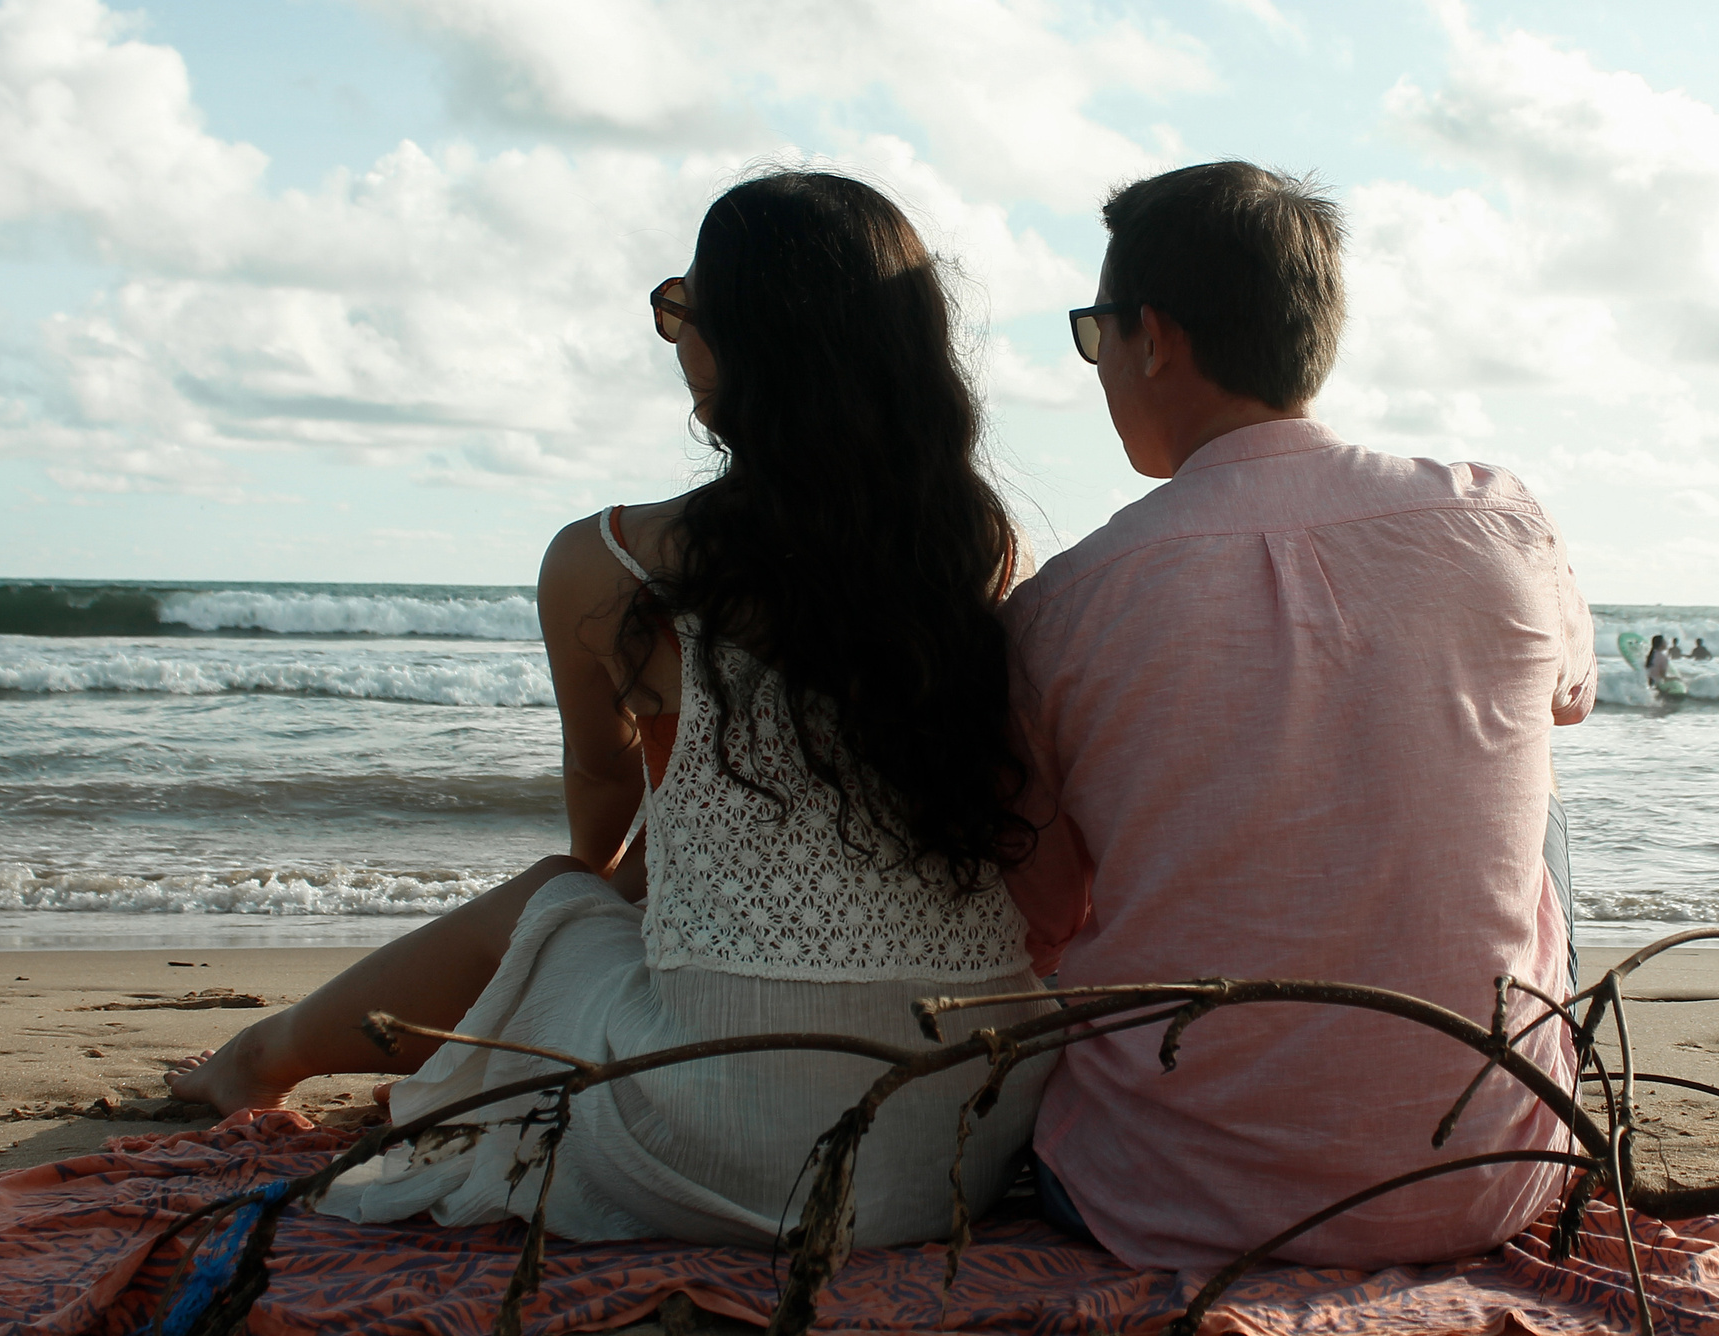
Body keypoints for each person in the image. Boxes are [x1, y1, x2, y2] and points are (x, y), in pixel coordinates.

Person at [166, 171, 1050, 1249]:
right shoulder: (978, 550)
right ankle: (273, 1054)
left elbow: (603, 778)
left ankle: (257, 1062)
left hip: (737, 1145)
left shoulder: (614, 561)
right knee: (621, 897)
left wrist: (590, 895)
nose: (678, 336)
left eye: (683, 309)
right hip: (962, 1128)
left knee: (550, 901)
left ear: (733, 342)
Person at [1006, 161, 1594, 1271]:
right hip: (1493, 1183)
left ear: (1155, 339)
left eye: (1095, 334)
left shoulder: (1065, 604)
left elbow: (1040, 917)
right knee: (1533, 800)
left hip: (1163, 1204)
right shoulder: (1500, 520)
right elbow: (1565, 703)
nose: (1096, 368)